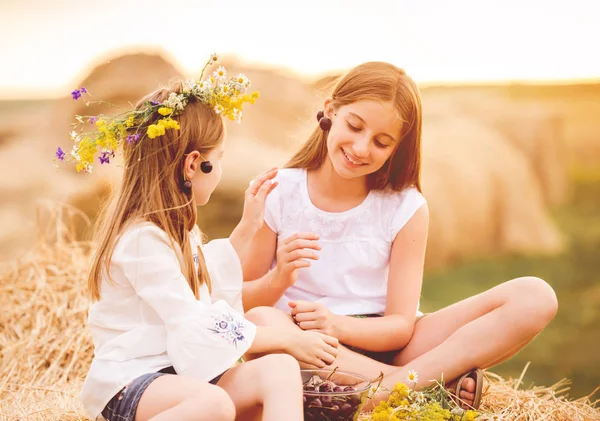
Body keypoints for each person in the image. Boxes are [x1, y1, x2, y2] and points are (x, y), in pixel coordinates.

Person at [239, 61, 558, 409]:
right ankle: (422, 385)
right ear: (330, 111)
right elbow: (243, 302)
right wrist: (279, 277)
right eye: (354, 126)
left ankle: (385, 389)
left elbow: (400, 327)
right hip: (306, 344)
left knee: (535, 296)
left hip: (387, 344)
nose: (361, 148)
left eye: (381, 142)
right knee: (261, 322)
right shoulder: (280, 190)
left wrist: (338, 324)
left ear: (398, 147)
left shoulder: (405, 207)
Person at [60, 55, 339, 421]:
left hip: (179, 374)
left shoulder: (178, 231)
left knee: (280, 370)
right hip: (131, 382)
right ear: (194, 165)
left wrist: (249, 224)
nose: (221, 168)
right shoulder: (142, 241)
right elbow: (196, 321)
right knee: (214, 404)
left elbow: (209, 281)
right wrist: (289, 338)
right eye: (218, 157)